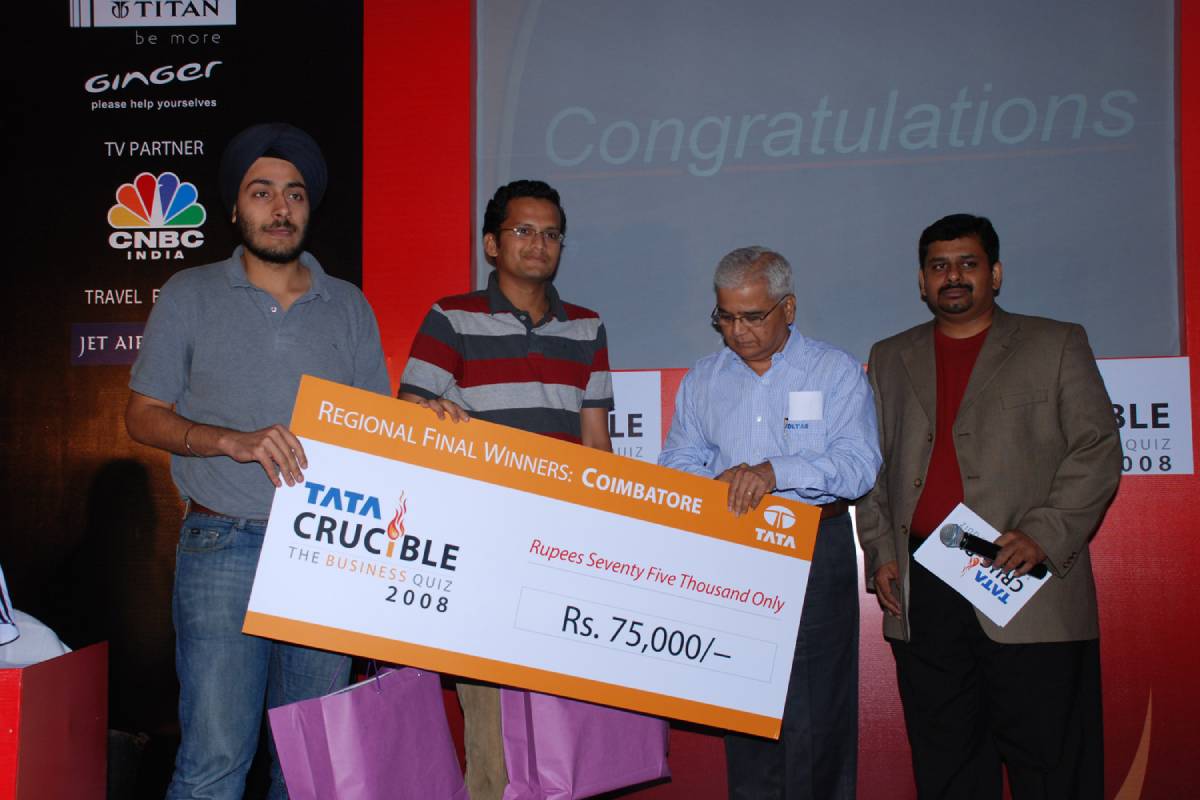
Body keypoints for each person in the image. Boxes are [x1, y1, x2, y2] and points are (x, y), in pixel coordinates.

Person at [125, 123, 391, 799]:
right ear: (235, 208)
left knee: (310, 772)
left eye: (295, 194)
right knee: (214, 763)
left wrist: (430, 422)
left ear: (309, 208)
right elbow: (142, 415)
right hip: (223, 541)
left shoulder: (348, 305)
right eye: (262, 192)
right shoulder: (189, 292)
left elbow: (378, 436)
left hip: (327, 551)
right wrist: (228, 440)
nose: (280, 208)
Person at [856, 213, 1121, 799]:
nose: (953, 276)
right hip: (924, 585)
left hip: (1025, 578)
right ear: (922, 281)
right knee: (947, 764)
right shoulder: (891, 356)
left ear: (994, 274)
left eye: (967, 264)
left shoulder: (1056, 343)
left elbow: (1097, 448)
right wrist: (881, 552)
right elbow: (872, 465)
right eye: (939, 266)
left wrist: (1044, 534)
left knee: (1052, 765)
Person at [398, 179, 613, 799]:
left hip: (563, 555)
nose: (539, 243)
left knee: (563, 727)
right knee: (491, 736)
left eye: (551, 233)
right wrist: (428, 414)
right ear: (492, 244)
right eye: (523, 230)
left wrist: (608, 547)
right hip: (480, 557)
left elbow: (596, 446)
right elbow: (407, 418)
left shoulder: (587, 327)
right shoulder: (451, 317)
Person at [658, 246, 881, 800]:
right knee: (746, 701)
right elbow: (677, 461)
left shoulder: (833, 371)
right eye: (726, 317)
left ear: (789, 308)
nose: (738, 331)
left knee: (819, 706)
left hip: (814, 544)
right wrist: (714, 482)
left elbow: (859, 465)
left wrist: (774, 471)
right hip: (734, 548)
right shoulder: (704, 379)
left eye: (753, 316)